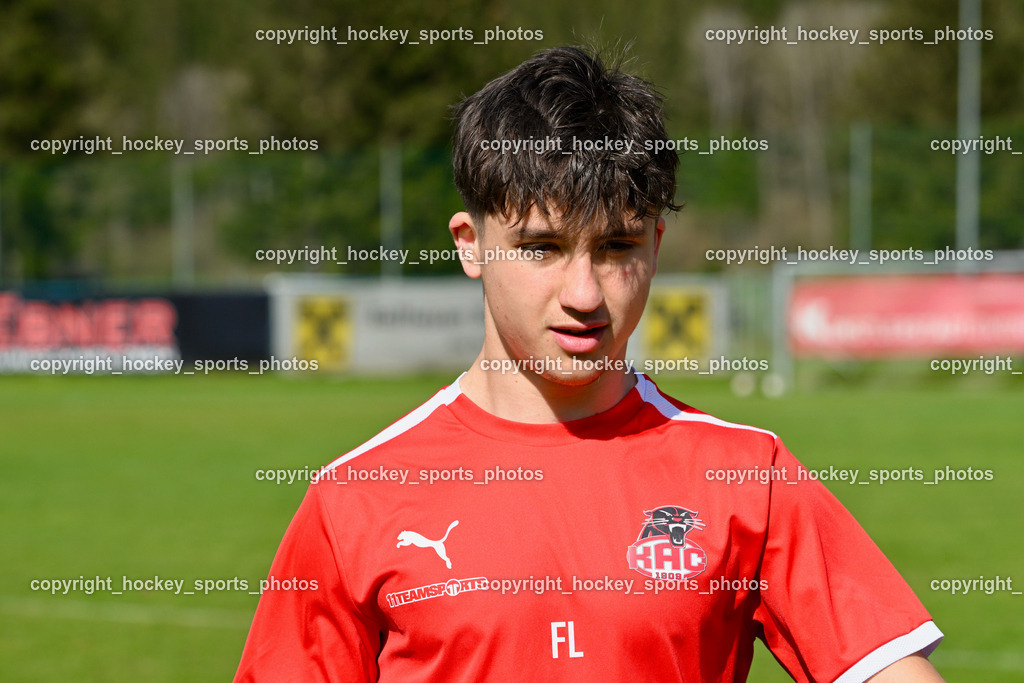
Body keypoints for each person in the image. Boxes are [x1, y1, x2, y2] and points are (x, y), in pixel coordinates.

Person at [234, 45, 945, 682]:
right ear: (471, 244)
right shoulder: (357, 496)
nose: (584, 295)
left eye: (615, 247)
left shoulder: (747, 476)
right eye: (542, 248)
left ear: (655, 246)